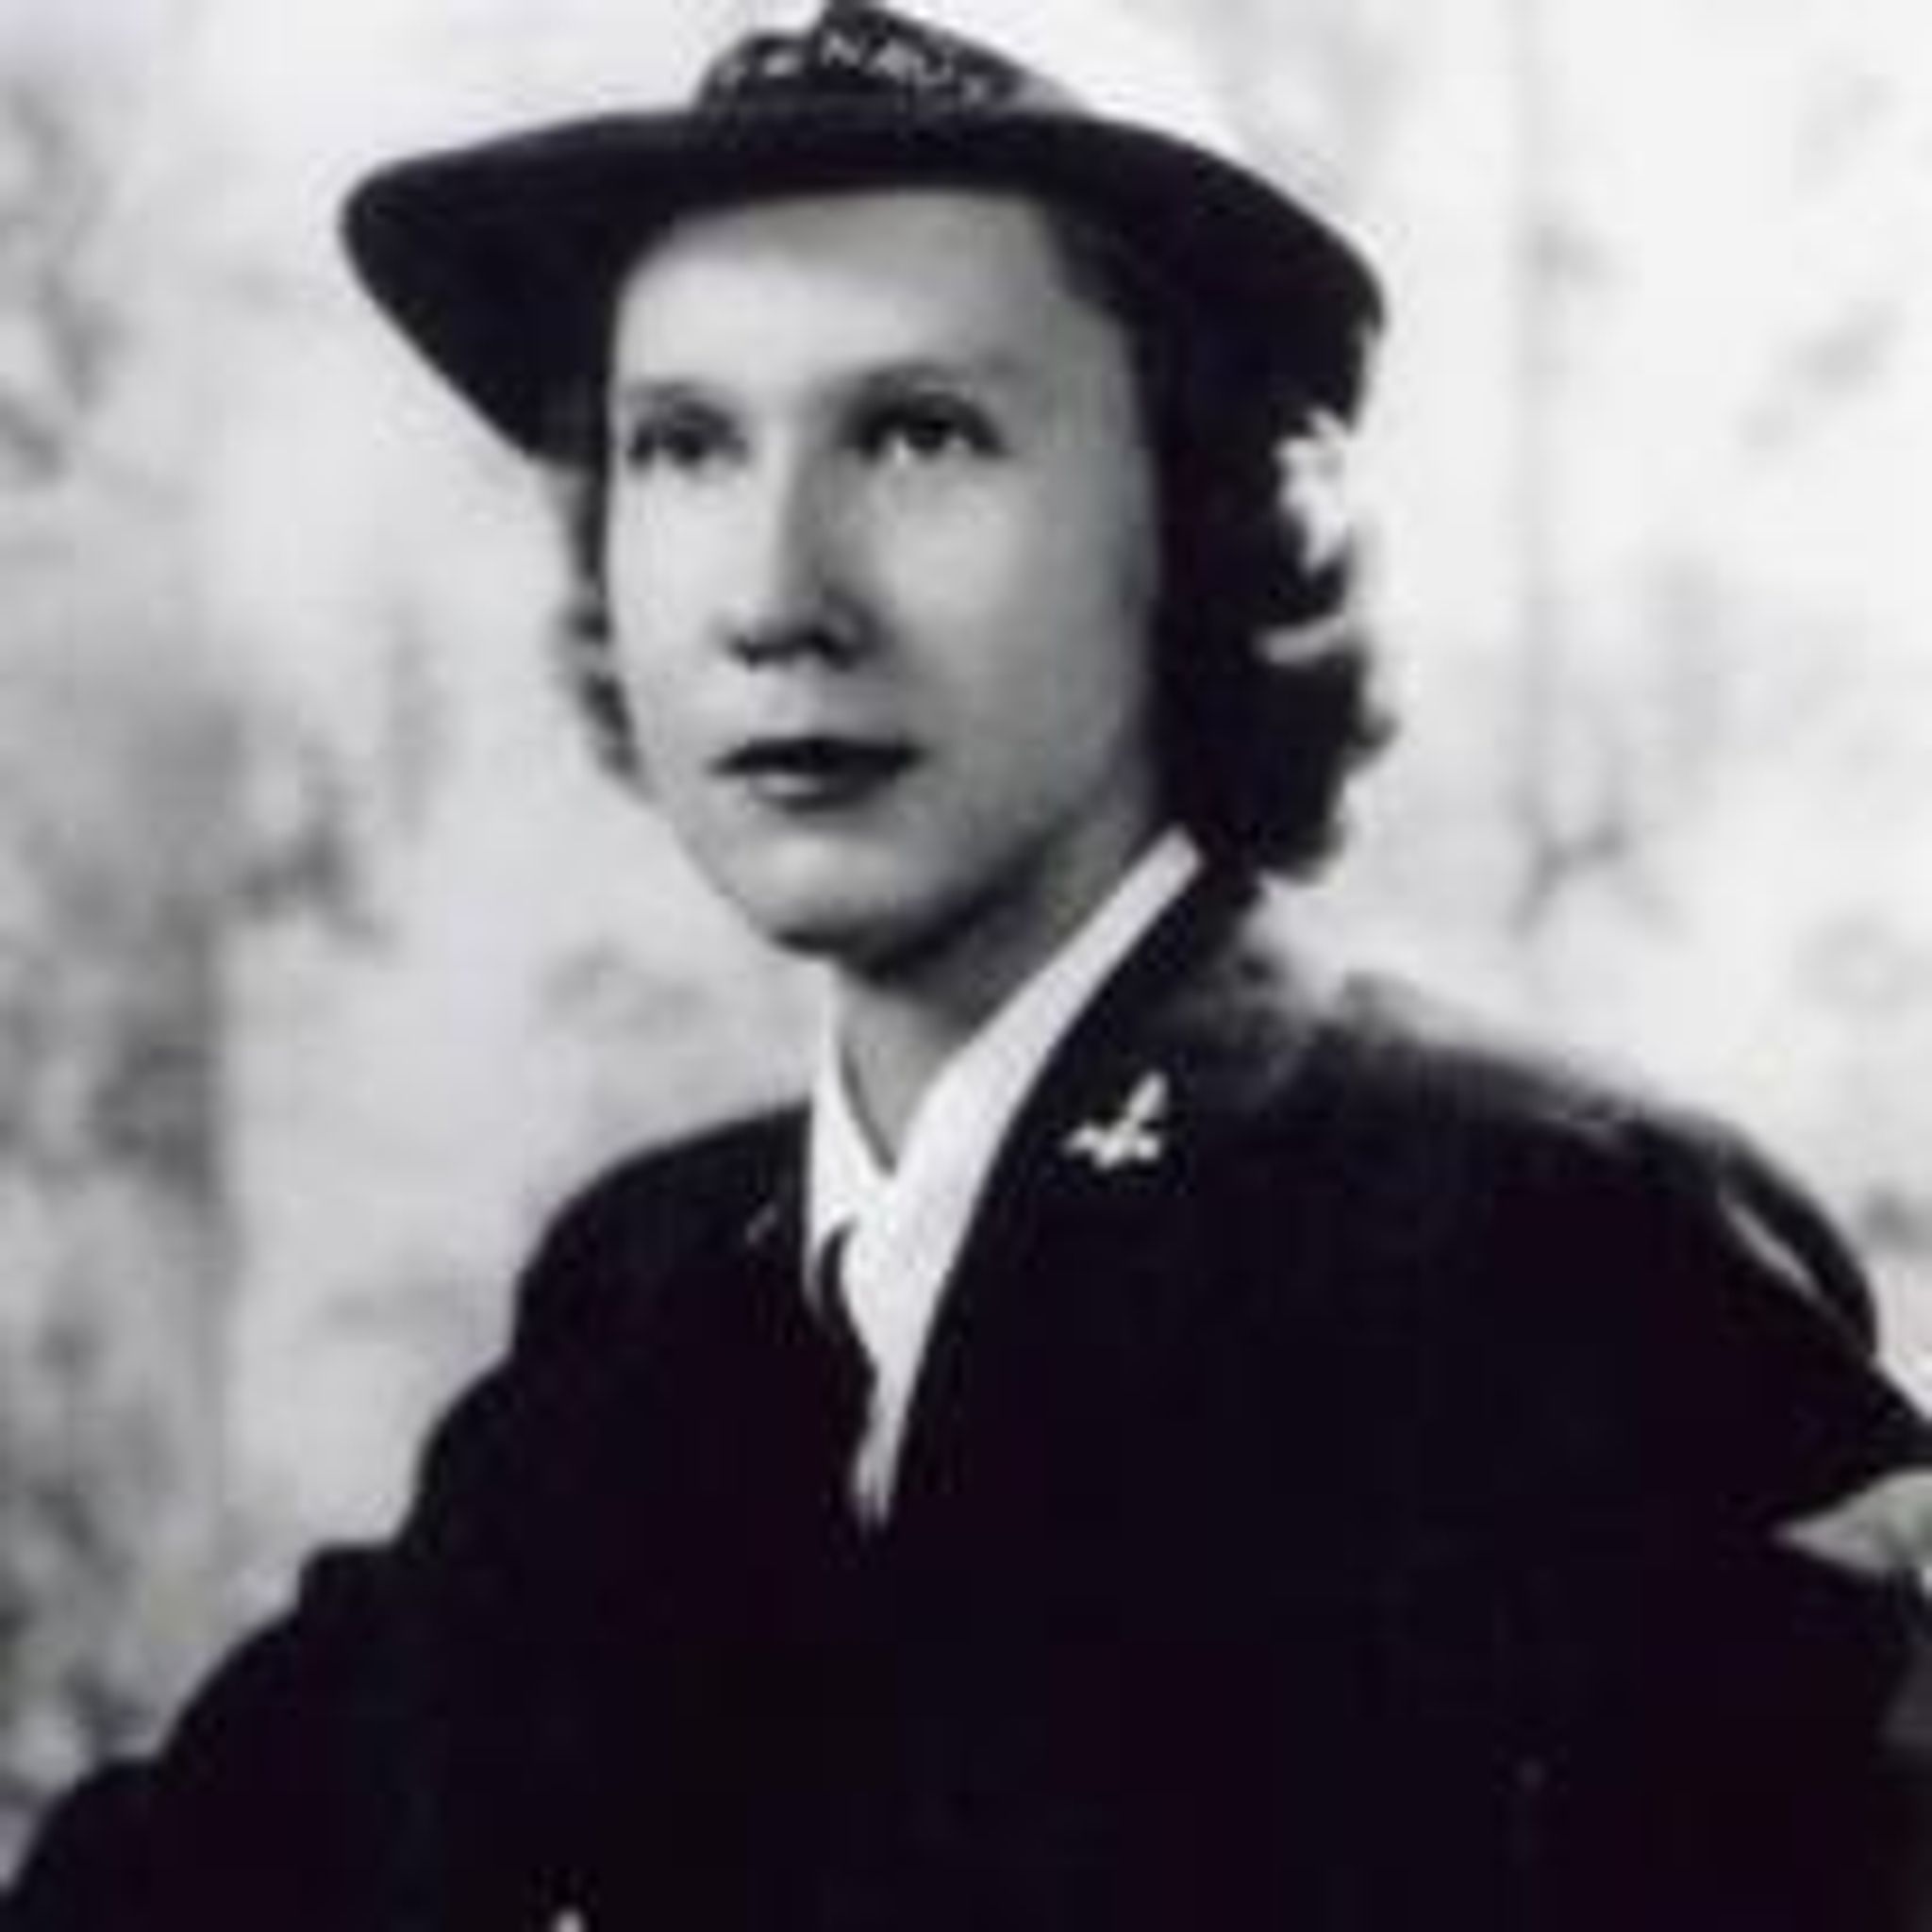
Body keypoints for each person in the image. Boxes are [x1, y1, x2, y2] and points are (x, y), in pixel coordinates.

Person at [5, 2, 1932, 1927]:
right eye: (683, 445)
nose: (774, 596)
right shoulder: (650, 1295)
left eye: (920, 434)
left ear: (1202, 517)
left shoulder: (1542, 1246)